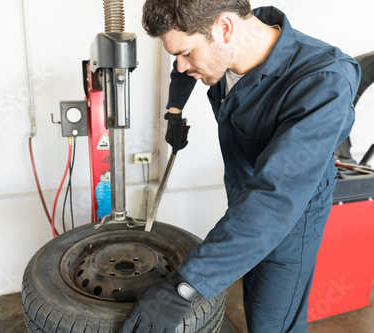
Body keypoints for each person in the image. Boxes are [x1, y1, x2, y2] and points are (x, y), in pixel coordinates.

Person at [118, 1, 360, 332]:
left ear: (225, 28)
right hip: (244, 193)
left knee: (270, 321)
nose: (181, 64)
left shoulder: (322, 83)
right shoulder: (226, 43)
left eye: (187, 53)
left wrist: (182, 288)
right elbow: (181, 68)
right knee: (248, 279)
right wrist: (174, 111)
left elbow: (275, 198)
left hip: (288, 214)